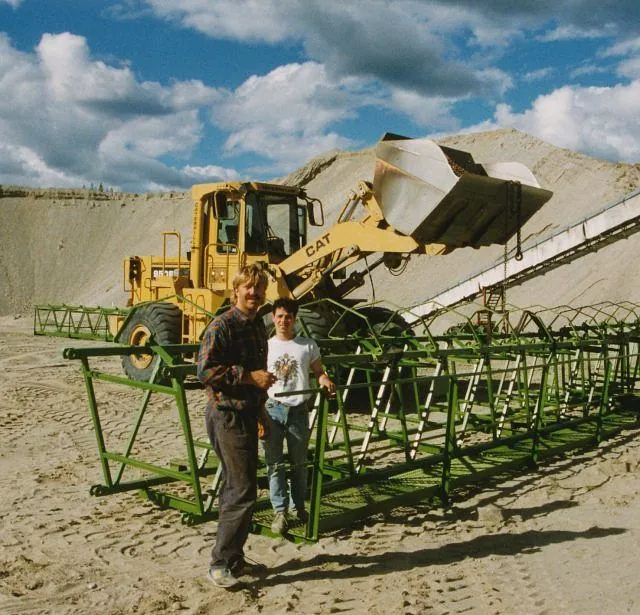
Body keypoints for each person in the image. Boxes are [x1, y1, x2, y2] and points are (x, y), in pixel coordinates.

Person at [197, 264, 276, 589]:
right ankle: (220, 563)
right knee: (241, 490)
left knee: (239, 486)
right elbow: (205, 370)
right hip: (226, 414)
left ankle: (234, 559)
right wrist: (247, 376)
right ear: (236, 290)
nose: (254, 294)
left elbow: (259, 373)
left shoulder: (258, 326)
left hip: (246, 412)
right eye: (249, 288)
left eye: (259, 288)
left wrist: (261, 412)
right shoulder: (223, 325)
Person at [263, 297, 336, 535]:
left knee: (300, 463)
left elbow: (318, 371)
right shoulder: (267, 346)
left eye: (289, 317)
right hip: (273, 408)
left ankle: (298, 507)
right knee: (275, 464)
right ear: (273, 318)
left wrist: (325, 380)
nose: (284, 321)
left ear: (295, 319)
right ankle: (280, 511)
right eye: (280, 316)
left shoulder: (307, 345)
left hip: (298, 411)